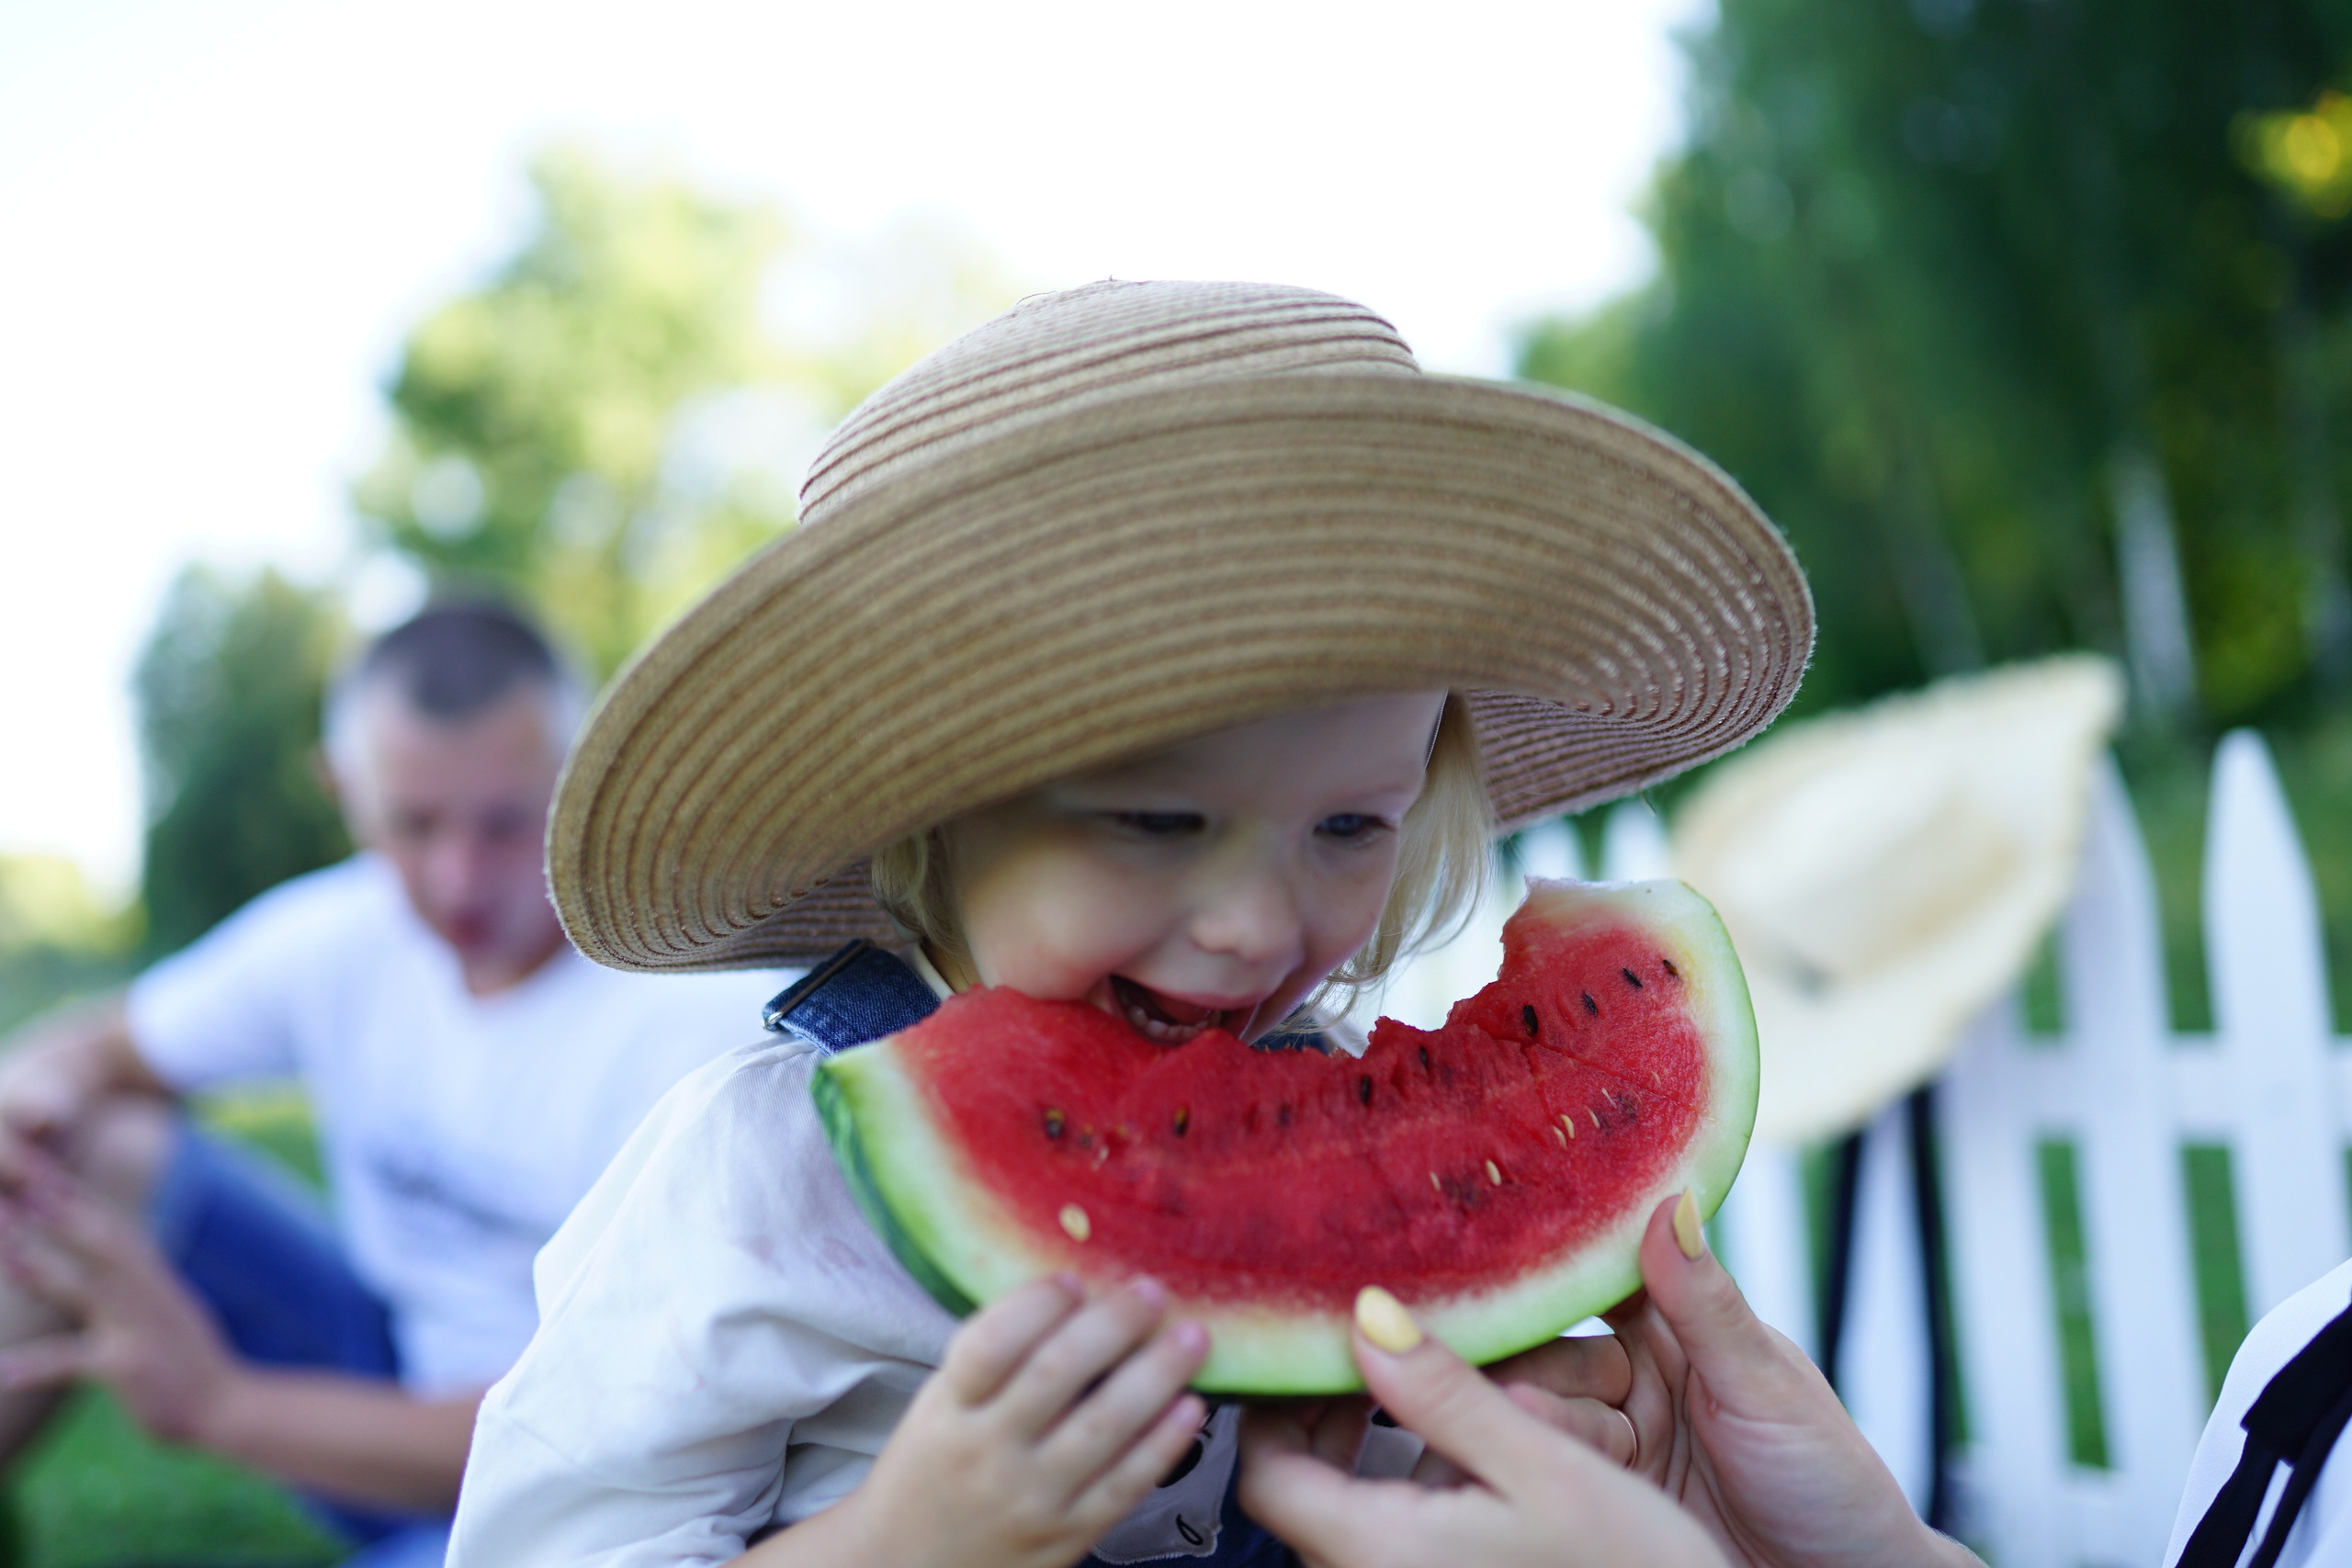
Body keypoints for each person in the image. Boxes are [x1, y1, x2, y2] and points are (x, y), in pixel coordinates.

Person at [445, 278, 1814, 1566]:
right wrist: (901, 1536)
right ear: (932, 818)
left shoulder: (1338, 1131)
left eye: (1349, 827)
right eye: (1156, 823)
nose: (1255, 924)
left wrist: (1448, 1484)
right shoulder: (759, 1169)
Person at [0, 602, 786, 1567]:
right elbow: (93, 1049)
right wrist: (31, 1103)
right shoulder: (340, 935)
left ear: (586, 785)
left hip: (583, 1476)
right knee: (79, 1148)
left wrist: (222, 1406)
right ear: (345, 791)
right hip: (379, 1360)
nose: (460, 879)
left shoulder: (697, 1021)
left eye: (506, 824)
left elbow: (611, 1431)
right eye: (414, 825)